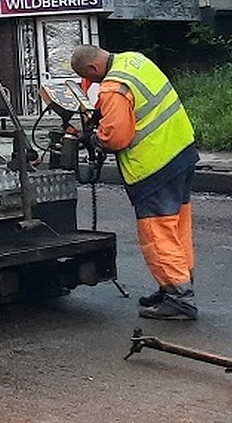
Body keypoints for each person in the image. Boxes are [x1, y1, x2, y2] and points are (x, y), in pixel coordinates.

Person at [70, 45, 198, 321]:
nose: (93, 83)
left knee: (157, 233)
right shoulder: (134, 61)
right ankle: (175, 285)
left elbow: (116, 137)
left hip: (154, 166)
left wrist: (94, 138)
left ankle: (179, 298)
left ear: (93, 69)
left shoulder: (113, 88)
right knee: (177, 227)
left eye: (90, 78)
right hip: (181, 151)